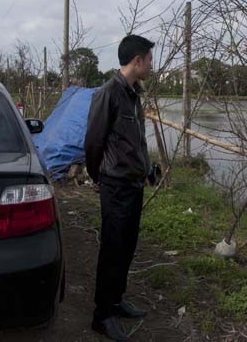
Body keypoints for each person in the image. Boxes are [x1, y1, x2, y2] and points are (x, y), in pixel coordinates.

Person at [84, 34, 154, 341]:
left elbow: (134, 142)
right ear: (137, 61)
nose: (151, 65)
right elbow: (94, 142)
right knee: (112, 250)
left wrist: (147, 168)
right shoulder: (108, 93)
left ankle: (116, 300)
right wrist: (98, 177)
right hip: (115, 185)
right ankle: (102, 316)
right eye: (149, 59)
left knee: (127, 247)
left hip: (134, 183)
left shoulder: (134, 94)